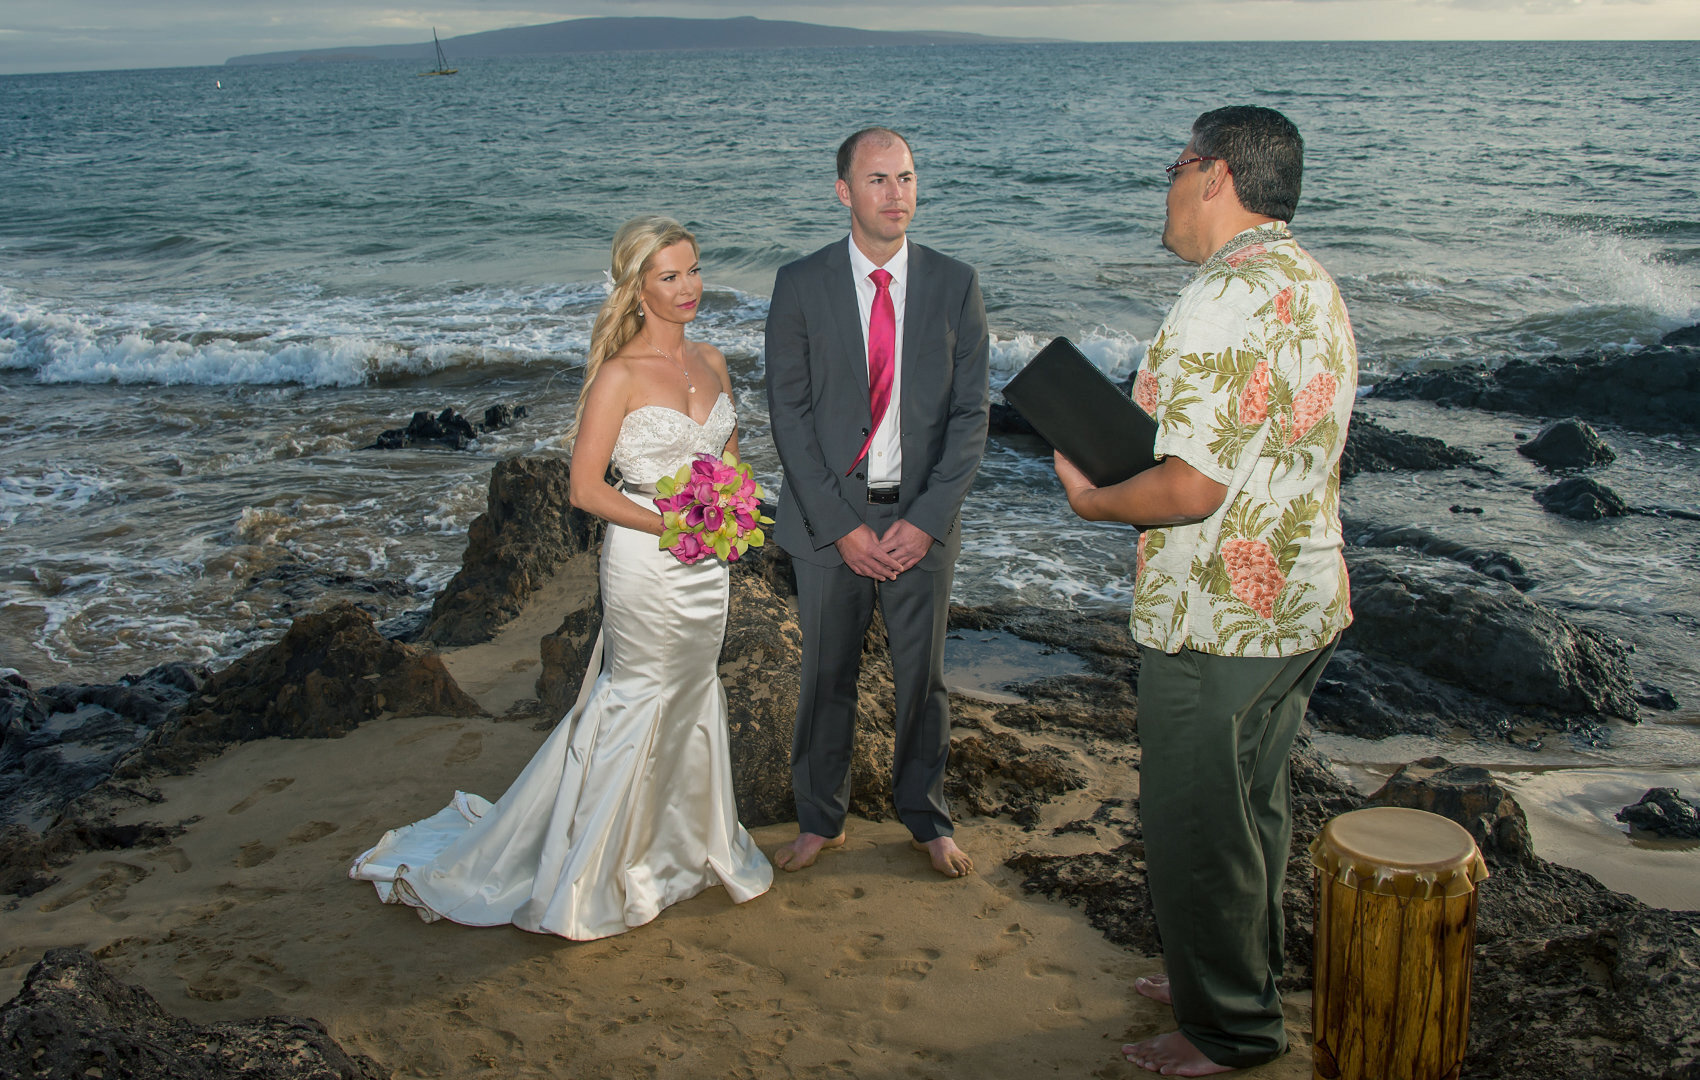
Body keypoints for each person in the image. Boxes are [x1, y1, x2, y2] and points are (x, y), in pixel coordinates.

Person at [350, 216, 772, 940]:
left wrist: (729, 512)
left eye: (694, 270)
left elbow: (728, 458)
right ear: (637, 289)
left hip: (708, 570)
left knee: (693, 694)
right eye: (669, 276)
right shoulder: (619, 375)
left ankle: (676, 850)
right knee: (636, 696)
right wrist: (676, 526)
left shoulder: (713, 361)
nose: (688, 288)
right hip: (649, 562)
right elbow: (586, 490)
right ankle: (600, 867)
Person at [1052, 106, 1356, 1075]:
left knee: (1196, 824)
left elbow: (1189, 486)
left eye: (1173, 163)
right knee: (1253, 809)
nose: (1166, 185)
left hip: (1216, 615)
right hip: (1298, 600)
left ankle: (1228, 1030)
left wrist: (1095, 501)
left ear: (1212, 172)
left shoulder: (1223, 296)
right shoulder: (1306, 279)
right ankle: (1225, 973)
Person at [764, 127, 989, 878]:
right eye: (879, 181)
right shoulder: (799, 284)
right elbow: (788, 418)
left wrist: (925, 522)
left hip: (921, 517)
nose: (898, 195)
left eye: (908, 178)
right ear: (844, 193)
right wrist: (842, 527)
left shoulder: (957, 284)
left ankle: (926, 818)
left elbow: (970, 417)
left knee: (922, 681)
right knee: (825, 677)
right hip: (832, 523)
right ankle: (818, 820)